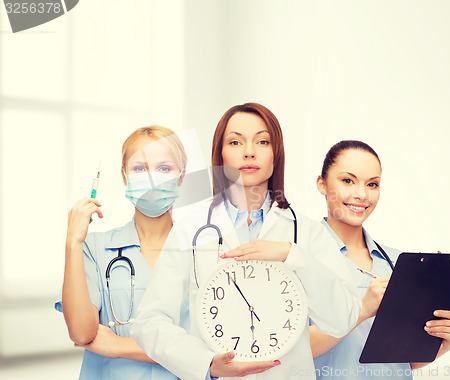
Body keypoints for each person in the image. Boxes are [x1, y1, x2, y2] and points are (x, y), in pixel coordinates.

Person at [131, 103, 361, 379]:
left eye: (262, 141)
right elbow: (149, 321)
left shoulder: (307, 232)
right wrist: (206, 363)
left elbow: (343, 318)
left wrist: (293, 255)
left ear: (276, 155)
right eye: (235, 141)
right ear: (220, 154)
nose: (249, 151)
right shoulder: (190, 228)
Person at [310, 140, 450, 379]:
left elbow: (402, 362)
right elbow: (291, 350)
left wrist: (443, 343)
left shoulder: (397, 263)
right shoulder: (300, 257)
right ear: (322, 184)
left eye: (372, 184)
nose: (361, 194)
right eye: (348, 180)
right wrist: (361, 310)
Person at [55, 126, 188, 379]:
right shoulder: (94, 248)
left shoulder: (202, 251)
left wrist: (116, 345)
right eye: (140, 168)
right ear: (124, 176)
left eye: (164, 168)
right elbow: (82, 333)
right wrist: (73, 240)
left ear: (181, 177)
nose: (151, 178)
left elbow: (209, 350)